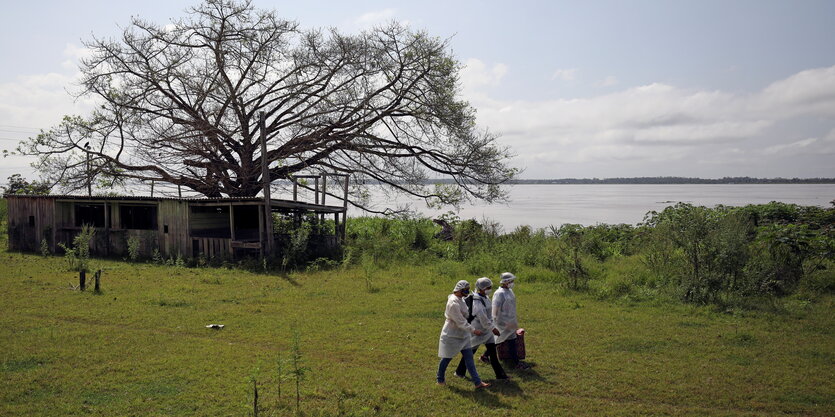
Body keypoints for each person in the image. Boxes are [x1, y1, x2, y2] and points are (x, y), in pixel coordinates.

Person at [437, 280, 491, 388]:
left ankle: (477, 382)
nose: (467, 291)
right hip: (452, 334)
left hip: (463, 334)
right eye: (465, 290)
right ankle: (440, 379)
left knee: (469, 358)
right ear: (459, 290)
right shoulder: (453, 303)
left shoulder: (461, 299)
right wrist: (474, 330)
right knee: (447, 358)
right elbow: (460, 321)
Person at [454, 277, 509, 380]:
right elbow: (483, 319)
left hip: (487, 332)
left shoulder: (485, 297)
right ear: (481, 288)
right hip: (478, 331)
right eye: (488, 287)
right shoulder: (477, 302)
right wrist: (493, 329)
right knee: (470, 353)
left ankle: (500, 375)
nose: (490, 289)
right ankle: (459, 372)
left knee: (493, 354)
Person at [490, 272, 530, 369]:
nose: (512, 283)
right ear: (506, 282)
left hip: (510, 320)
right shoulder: (499, 293)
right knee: (506, 339)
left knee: (503, 340)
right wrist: (495, 321)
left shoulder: (509, 291)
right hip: (502, 322)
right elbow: (495, 309)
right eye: (511, 281)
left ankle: (485, 356)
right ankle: (516, 362)